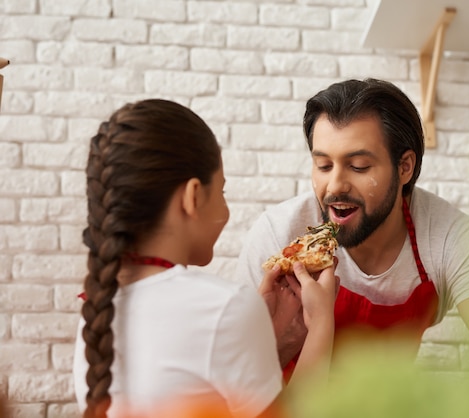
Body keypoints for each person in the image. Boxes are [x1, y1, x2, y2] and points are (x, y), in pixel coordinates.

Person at [72, 99, 338, 418]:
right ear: (193, 195)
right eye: (221, 192)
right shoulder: (224, 307)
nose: (225, 210)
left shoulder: (95, 315)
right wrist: (322, 323)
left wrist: (265, 345)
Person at [235, 78, 469, 369]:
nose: (335, 186)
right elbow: (234, 385)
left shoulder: (450, 239)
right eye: (324, 166)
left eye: (359, 167)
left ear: (405, 167)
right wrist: (286, 339)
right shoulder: (279, 236)